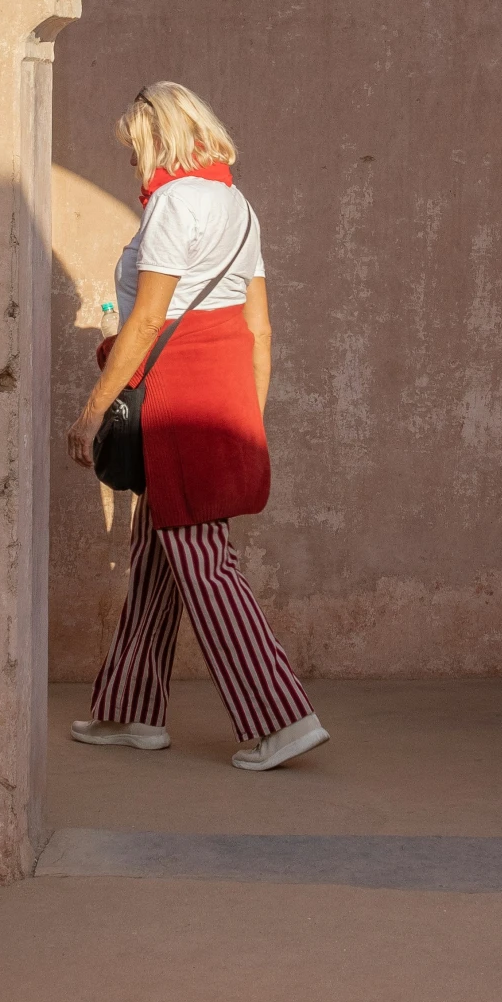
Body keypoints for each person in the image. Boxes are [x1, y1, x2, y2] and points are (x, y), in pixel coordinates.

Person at [65, 81, 328, 772]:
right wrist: (245, 415)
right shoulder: (237, 206)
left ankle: (281, 718)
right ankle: (130, 710)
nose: (131, 163)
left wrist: (92, 411)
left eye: (133, 148)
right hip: (222, 389)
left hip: (178, 392)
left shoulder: (174, 203)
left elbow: (149, 320)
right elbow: (259, 326)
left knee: (203, 560)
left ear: (159, 137)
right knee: (162, 548)